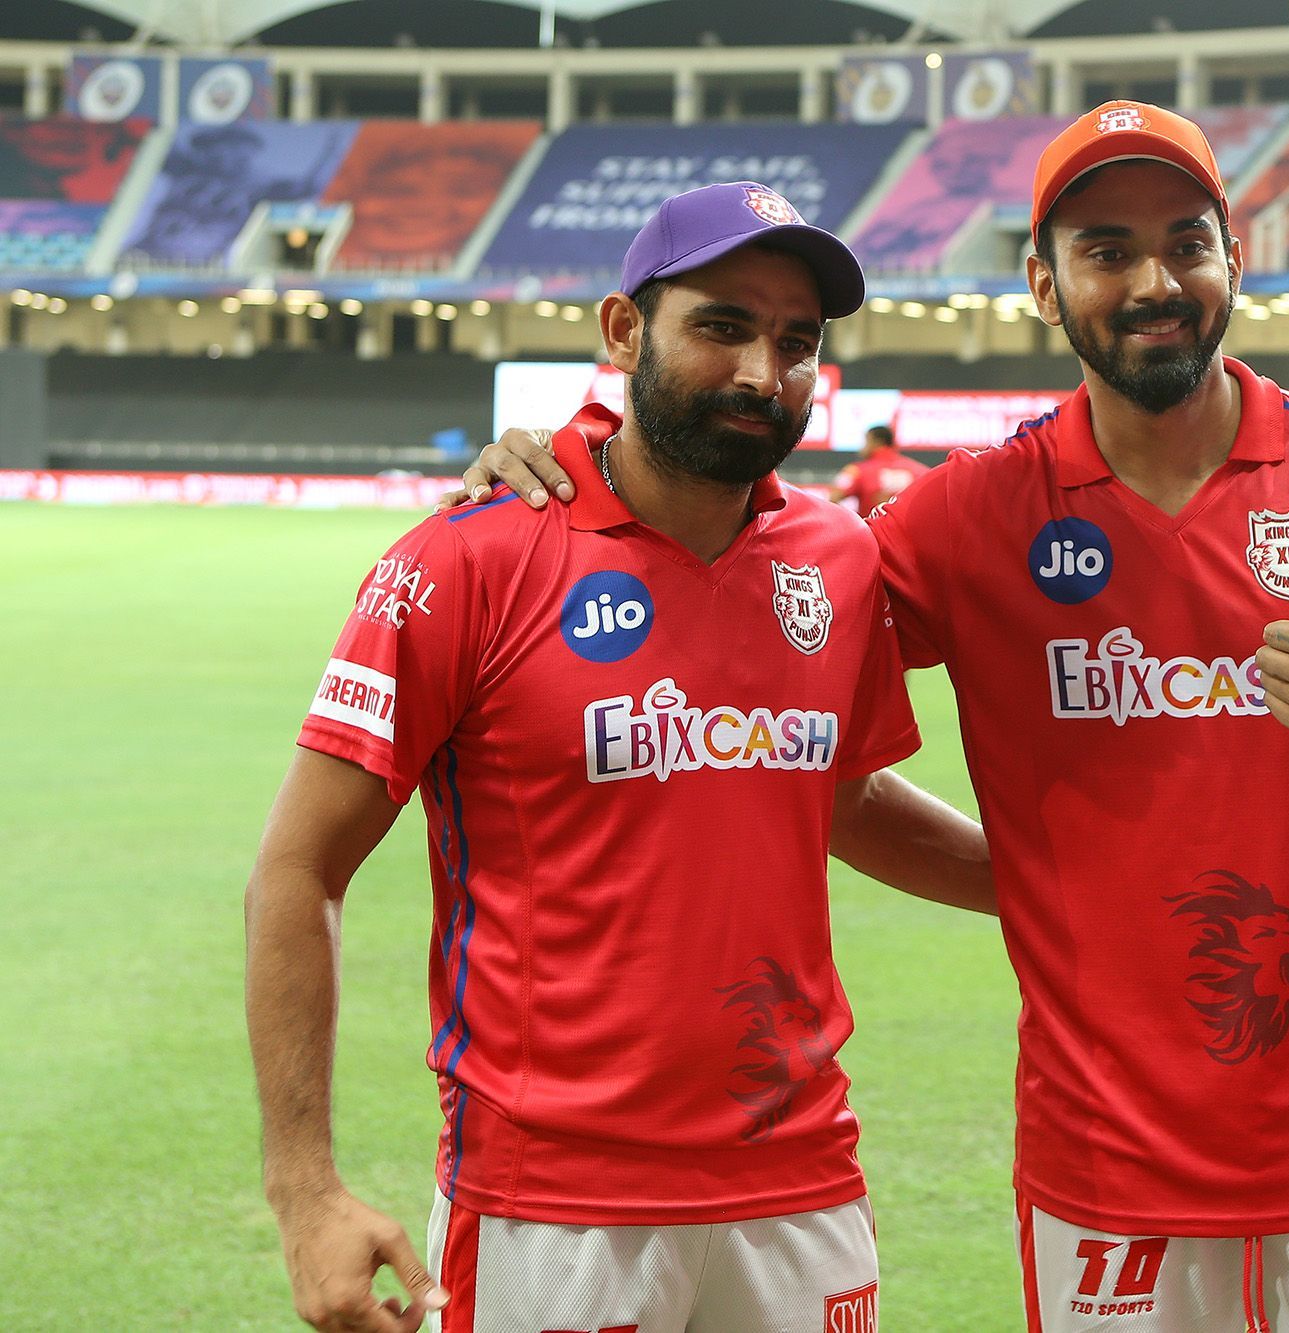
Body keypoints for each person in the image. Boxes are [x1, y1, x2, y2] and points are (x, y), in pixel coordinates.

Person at [457, 103, 1289, 1332]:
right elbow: (770, 671)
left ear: (1233, 259)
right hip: (1107, 1169)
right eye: (1104, 250)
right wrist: (567, 478)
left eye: (1185, 242)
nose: (1153, 281)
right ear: (1042, 283)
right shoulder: (967, 517)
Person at [245, 180, 994, 1333]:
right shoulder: (467, 559)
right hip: (552, 1202)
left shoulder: (838, 561)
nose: (762, 371)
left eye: (796, 342)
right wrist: (305, 1192)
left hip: (798, 1185)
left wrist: (1052, 883)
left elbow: (839, 795)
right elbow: (298, 872)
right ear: (621, 329)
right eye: (723, 326)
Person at [831, 423, 930, 515]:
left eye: (866, 441)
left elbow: (833, 499)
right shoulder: (920, 471)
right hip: (908, 531)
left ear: (876, 442)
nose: (862, 448)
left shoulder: (856, 471)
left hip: (872, 532)